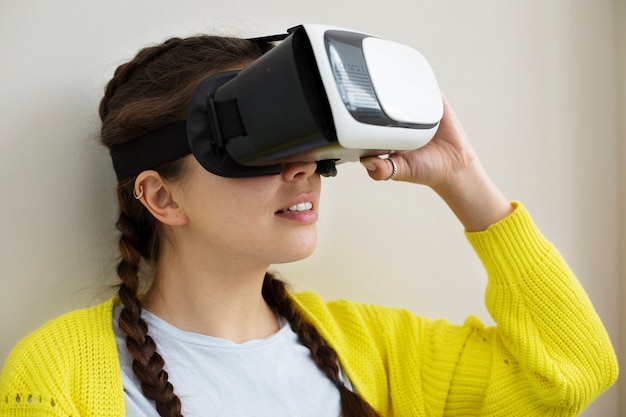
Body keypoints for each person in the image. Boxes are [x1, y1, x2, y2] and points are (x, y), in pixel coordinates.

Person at [0, 33, 618, 417]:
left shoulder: (371, 348)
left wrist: (463, 176)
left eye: (310, 143)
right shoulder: (62, 378)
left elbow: (573, 370)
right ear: (162, 197)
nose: (305, 171)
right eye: (261, 146)